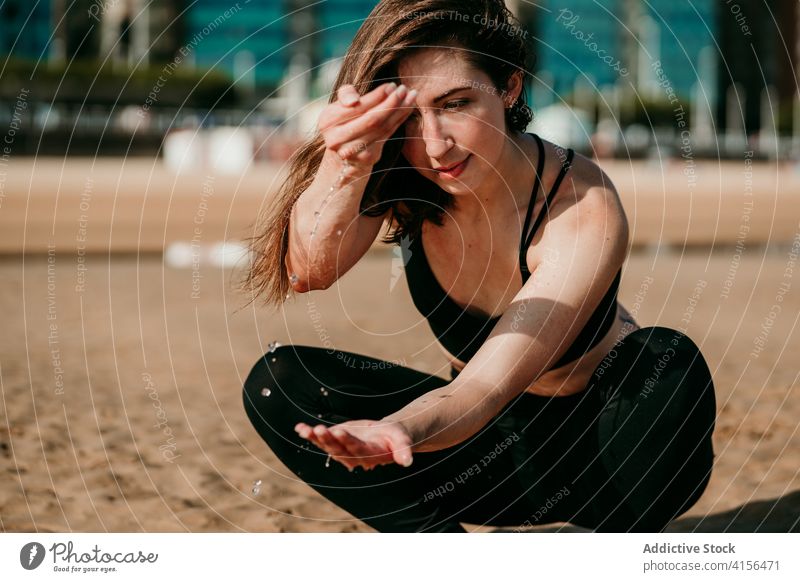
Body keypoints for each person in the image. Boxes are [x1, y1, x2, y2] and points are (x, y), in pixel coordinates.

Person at [240, 0, 716, 533]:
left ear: (509, 88)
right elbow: (308, 271)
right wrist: (345, 163)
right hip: (489, 459)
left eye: (456, 103)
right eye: (409, 117)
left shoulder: (581, 207)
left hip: (606, 460)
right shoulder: (405, 174)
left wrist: (396, 430)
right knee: (278, 382)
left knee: (667, 361)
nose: (436, 144)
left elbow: (481, 390)